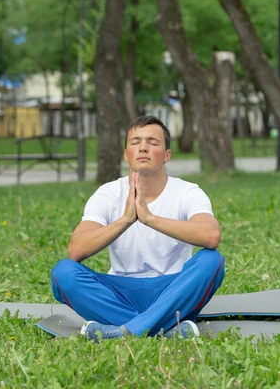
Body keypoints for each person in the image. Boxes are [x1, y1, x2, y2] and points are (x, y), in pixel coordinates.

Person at [51, 116, 224, 341]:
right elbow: (76, 250)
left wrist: (149, 218)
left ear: (167, 155)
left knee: (212, 260)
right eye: (135, 142)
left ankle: (124, 332)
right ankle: (164, 329)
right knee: (63, 272)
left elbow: (211, 236)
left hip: (173, 290)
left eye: (152, 142)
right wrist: (125, 219)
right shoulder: (107, 193)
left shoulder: (188, 192)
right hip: (120, 292)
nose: (143, 148)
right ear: (126, 155)